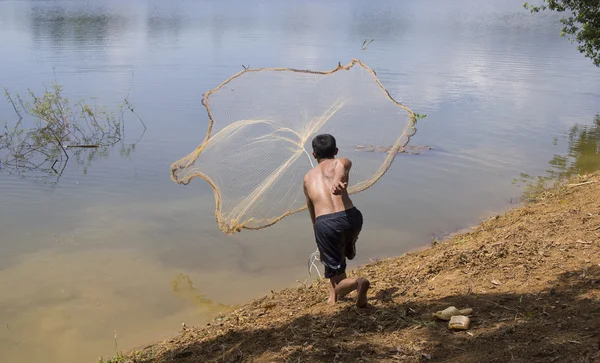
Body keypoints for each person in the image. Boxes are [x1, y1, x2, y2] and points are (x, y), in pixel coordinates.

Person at [303, 134, 370, 308]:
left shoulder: (307, 178)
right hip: (352, 218)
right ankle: (348, 246)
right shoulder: (341, 161)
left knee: (338, 277)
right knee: (334, 256)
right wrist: (339, 179)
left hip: (326, 223)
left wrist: (338, 182)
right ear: (336, 150)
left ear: (313, 154)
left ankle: (357, 283)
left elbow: (311, 208)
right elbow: (341, 166)